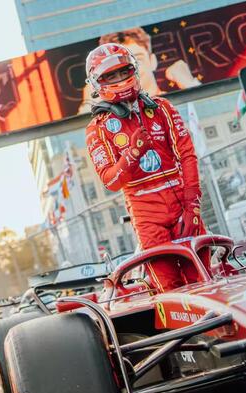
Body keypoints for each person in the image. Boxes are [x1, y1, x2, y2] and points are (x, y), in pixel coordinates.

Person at [85, 43, 208, 292]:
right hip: (146, 214)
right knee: (169, 288)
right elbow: (110, 182)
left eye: (123, 71)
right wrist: (132, 153)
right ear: (97, 83)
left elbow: (187, 155)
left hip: (183, 204)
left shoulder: (162, 108)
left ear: (135, 70)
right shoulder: (96, 129)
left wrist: (192, 204)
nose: (120, 79)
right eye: (111, 75)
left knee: (203, 278)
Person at [78, 27, 201, 114]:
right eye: (115, 69)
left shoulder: (171, 104)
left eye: (138, 60)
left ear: (152, 61)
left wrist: (190, 85)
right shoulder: (111, 118)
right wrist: (89, 102)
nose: (125, 74)